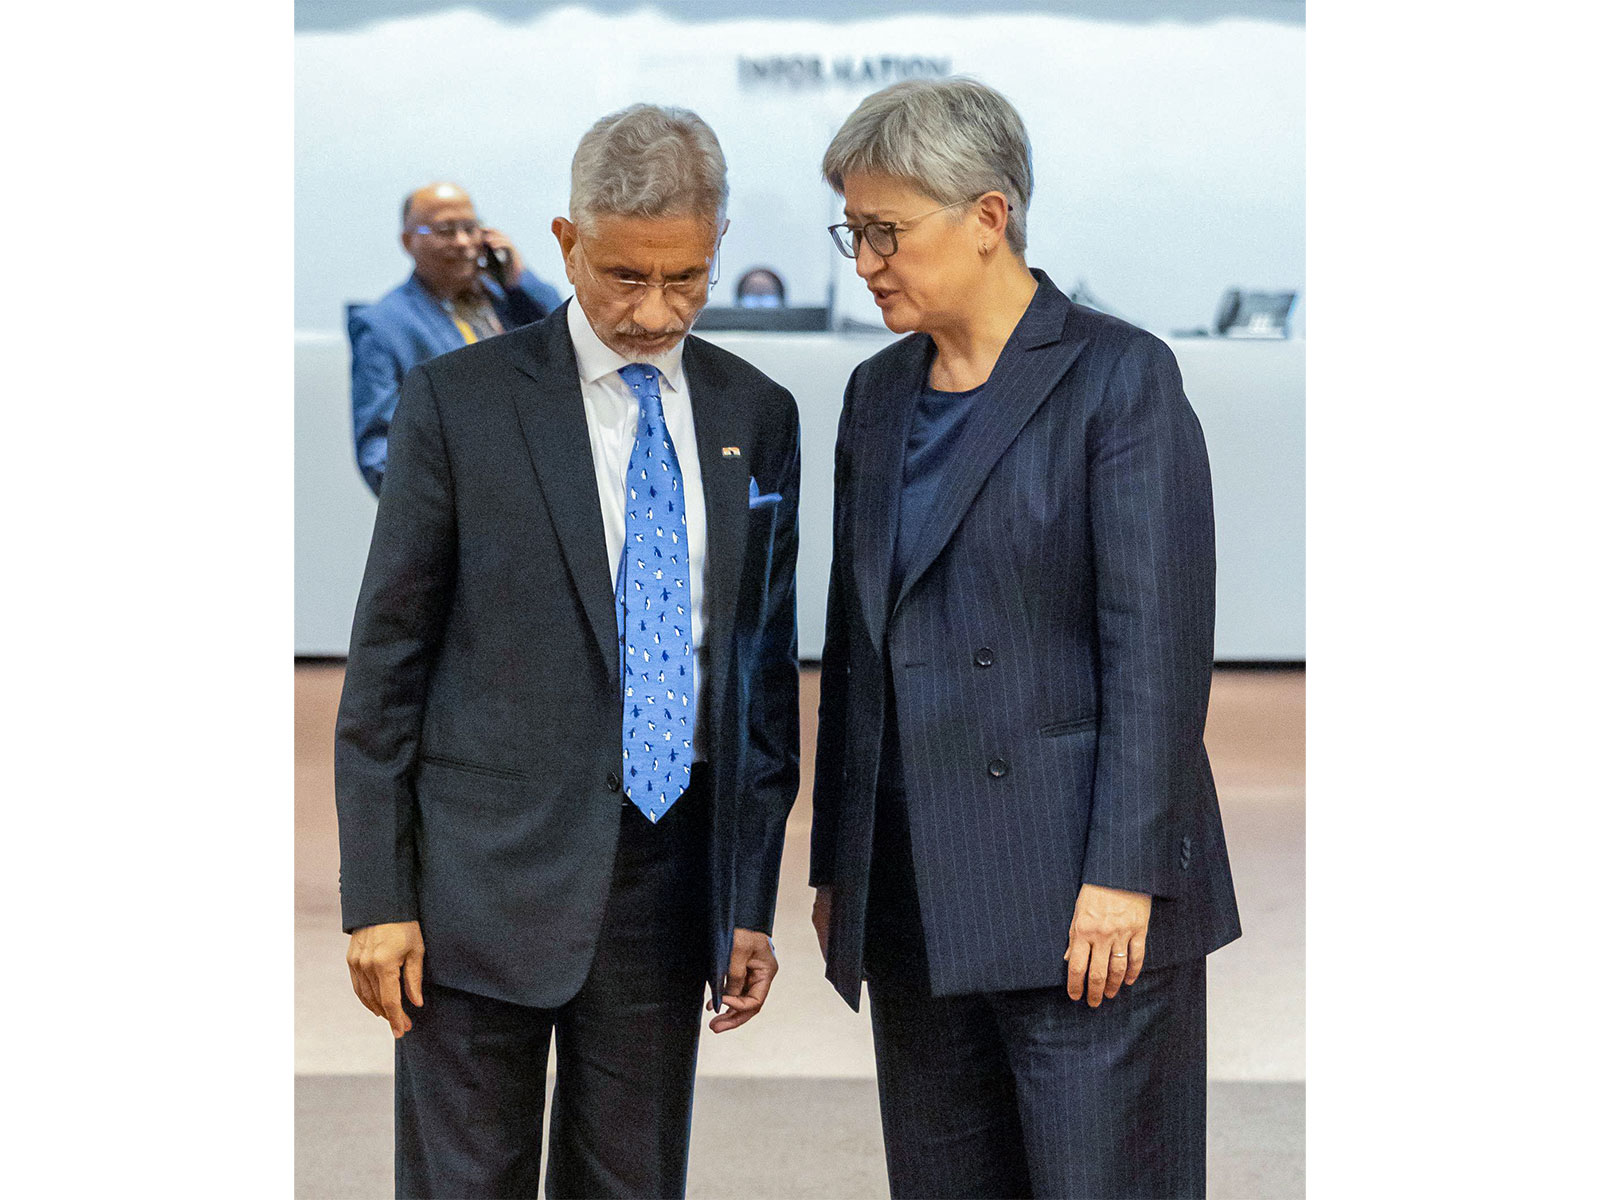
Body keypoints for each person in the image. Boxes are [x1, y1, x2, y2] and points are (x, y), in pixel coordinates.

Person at [335, 105, 802, 1199]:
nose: (652, 311)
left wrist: (746, 897)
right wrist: (375, 896)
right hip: (475, 886)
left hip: (663, 876)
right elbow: (387, 665)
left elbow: (757, 678)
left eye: (686, 278)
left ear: (718, 244)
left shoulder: (755, 412)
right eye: (624, 276)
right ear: (564, 239)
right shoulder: (458, 403)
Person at [809, 78, 1241, 1200]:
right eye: (852, 232)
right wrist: (837, 868)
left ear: (988, 216)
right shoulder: (874, 394)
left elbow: (1156, 649)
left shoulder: (1117, 376)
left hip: (1079, 903)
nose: (864, 261)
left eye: (885, 232)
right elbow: (855, 646)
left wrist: (1124, 876)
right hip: (912, 898)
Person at [348, 182, 564, 494]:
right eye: (446, 230)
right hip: (465, 505)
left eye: (471, 228)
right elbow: (377, 451)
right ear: (408, 241)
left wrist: (518, 277)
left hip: (544, 488)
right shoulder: (383, 326)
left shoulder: (511, 300)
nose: (463, 242)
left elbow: (568, 346)